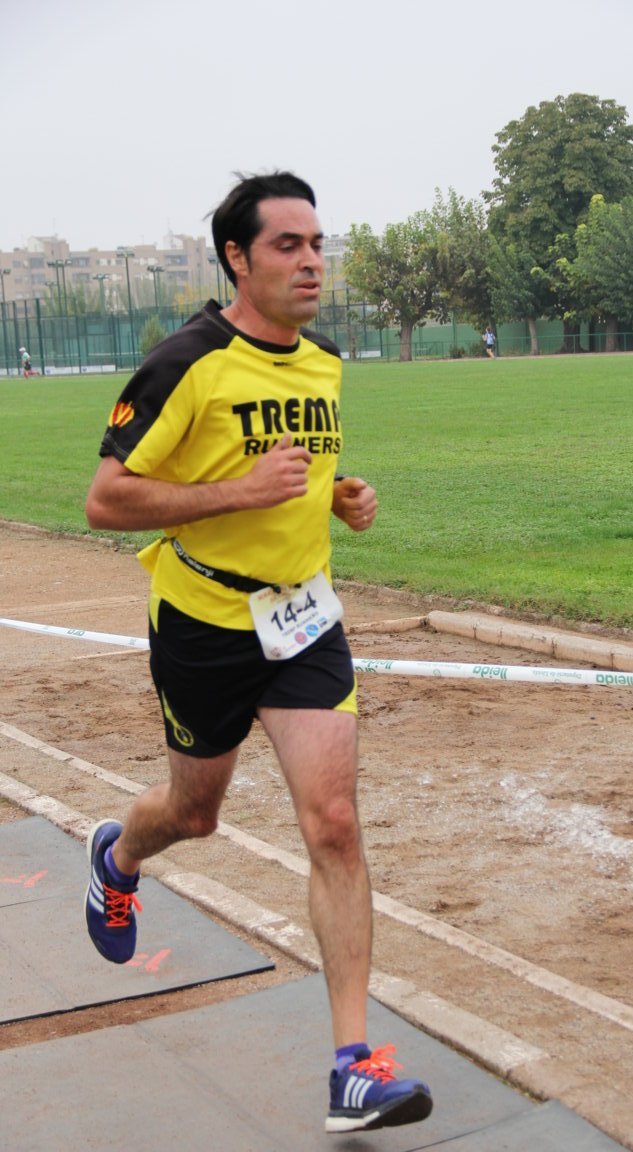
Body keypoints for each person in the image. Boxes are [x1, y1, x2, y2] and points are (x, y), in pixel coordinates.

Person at [83, 171, 432, 1135]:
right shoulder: (185, 363)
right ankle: (118, 854)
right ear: (237, 258)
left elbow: (300, 474)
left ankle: (353, 1068)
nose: (312, 261)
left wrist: (340, 497)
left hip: (304, 621)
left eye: (318, 244)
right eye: (288, 245)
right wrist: (236, 493)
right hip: (204, 623)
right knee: (193, 815)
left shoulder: (322, 362)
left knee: (335, 824)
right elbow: (106, 500)